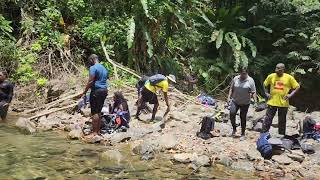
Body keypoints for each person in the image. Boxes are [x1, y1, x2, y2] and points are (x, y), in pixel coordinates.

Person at [262, 63, 300, 136]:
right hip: (272, 102)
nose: (276, 70)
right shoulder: (271, 76)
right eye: (276, 68)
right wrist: (266, 93)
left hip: (283, 103)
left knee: (282, 120)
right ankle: (264, 134)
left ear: (283, 69)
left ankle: (281, 135)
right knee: (268, 119)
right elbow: (264, 84)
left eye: (278, 69)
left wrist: (290, 95)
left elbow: (297, 87)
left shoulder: (289, 78)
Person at [79, 54, 108, 137]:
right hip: (104, 90)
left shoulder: (93, 68)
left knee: (94, 112)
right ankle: (98, 131)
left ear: (92, 60)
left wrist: (84, 91)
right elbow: (105, 79)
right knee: (99, 111)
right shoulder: (104, 68)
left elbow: (91, 81)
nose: (90, 63)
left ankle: (94, 132)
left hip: (96, 91)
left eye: (90, 61)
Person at [227, 68, 257, 141]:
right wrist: (228, 97)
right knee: (232, 113)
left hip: (245, 103)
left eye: (244, 74)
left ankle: (243, 133)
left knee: (242, 117)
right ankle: (234, 129)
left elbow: (253, 92)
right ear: (240, 73)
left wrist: (255, 102)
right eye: (241, 73)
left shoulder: (250, 81)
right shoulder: (236, 78)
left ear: (247, 73)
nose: (243, 75)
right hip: (235, 100)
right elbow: (231, 88)